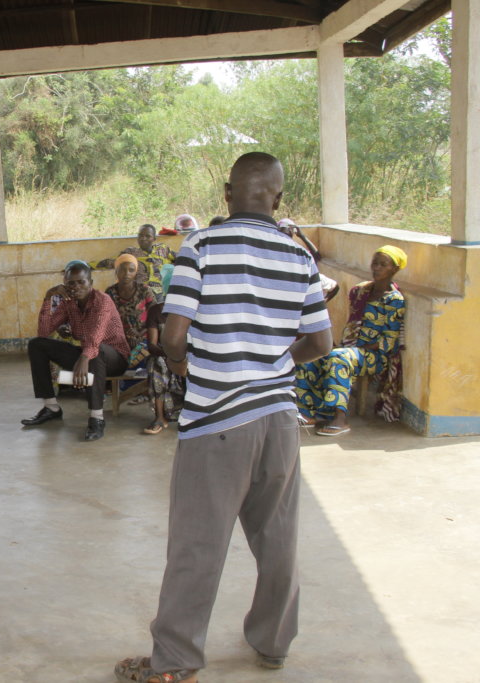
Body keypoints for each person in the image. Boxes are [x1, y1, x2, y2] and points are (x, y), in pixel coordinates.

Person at [113, 153, 333, 683]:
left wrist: (204, 366)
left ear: (227, 192)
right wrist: (271, 361)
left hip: (217, 420)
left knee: (197, 544)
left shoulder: (200, 246)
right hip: (279, 418)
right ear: (277, 199)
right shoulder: (299, 256)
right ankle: (274, 643)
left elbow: (172, 337)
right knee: (278, 537)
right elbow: (321, 340)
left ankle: (176, 662)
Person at [295, 246, 407, 435]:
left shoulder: (394, 300)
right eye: (375, 263)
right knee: (308, 355)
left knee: (339, 358)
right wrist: (349, 346)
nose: (377, 268)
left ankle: (339, 418)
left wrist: (355, 348)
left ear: (394, 269)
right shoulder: (361, 291)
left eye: (383, 264)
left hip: (375, 355)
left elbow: (389, 341)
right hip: (353, 349)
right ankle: (307, 412)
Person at [21, 261, 129, 441]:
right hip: (88, 354)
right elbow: (44, 332)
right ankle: (51, 407)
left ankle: (97, 418)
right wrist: (49, 297)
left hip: (115, 358)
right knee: (37, 344)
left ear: (91, 283)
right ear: (64, 284)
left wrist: (84, 358)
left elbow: (96, 337)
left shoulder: (103, 301)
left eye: (81, 282)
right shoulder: (68, 304)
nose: (76, 287)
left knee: (96, 351)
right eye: (71, 283)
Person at [142, 269, 185, 436]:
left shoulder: (192, 311)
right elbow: (152, 345)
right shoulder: (156, 311)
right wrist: (171, 356)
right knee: (157, 363)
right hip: (165, 356)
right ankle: (159, 417)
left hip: (189, 357)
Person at [105, 253, 156, 375]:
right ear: (116, 271)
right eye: (122, 270)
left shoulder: (144, 290)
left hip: (144, 336)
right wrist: (123, 336)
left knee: (136, 356)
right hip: (119, 339)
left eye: (131, 270)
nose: (127, 273)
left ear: (136, 272)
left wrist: (139, 333)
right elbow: (106, 319)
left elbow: (155, 315)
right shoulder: (110, 293)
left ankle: (130, 386)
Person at [278, 218, 340, 302]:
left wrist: (302, 236)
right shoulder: (295, 248)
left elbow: (316, 256)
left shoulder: (296, 248)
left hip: (298, 280)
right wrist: (302, 236)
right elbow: (316, 256)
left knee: (333, 286)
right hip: (295, 281)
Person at [128, 224, 176, 298]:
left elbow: (181, 259)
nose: (143, 238)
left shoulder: (163, 249)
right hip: (141, 292)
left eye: (148, 236)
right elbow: (116, 262)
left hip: (162, 291)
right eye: (140, 235)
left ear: (154, 239)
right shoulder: (132, 253)